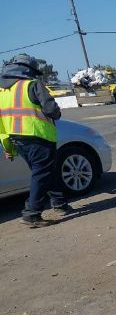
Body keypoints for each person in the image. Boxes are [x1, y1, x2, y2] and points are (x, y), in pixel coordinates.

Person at [0, 54, 72, 227]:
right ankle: (31, 213)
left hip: (17, 139)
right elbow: (51, 109)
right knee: (41, 174)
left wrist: (7, 147)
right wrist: (57, 114)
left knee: (46, 171)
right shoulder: (32, 85)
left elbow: (1, 122)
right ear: (30, 70)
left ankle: (59, 203)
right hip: (38, 137)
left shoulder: (2, 91)